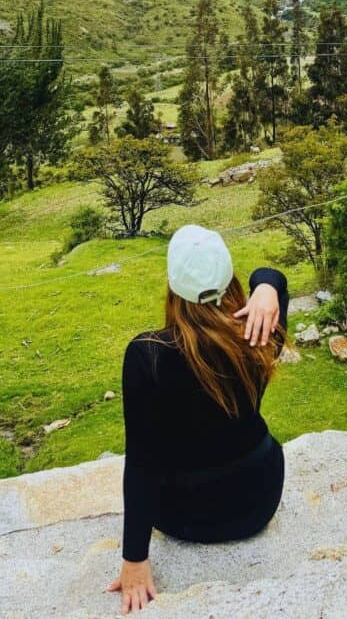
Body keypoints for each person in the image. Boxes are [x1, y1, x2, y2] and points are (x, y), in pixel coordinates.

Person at [107, 224, 289, 615]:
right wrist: (267, 287)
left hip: (185, 517)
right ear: (231, 278)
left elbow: (141, 463)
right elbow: (274, 278)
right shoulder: (259, 329)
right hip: (260, 499)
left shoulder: (148, 354)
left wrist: (134, 560)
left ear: (174, 287)